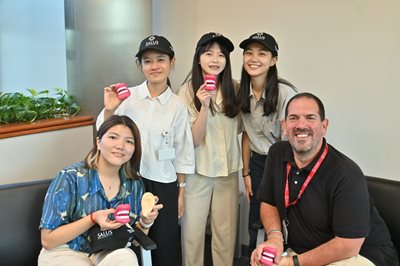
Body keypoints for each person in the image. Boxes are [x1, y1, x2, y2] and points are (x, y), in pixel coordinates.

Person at [251, 93, 399, 266]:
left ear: (324, 126)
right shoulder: (277, 153)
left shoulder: (346, 174)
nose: (301, 125)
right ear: (284, 126)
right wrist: (275, 237)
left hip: (358, 255)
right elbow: (268, 202)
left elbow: (348, 245)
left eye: (310, 118)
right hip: (304, 252)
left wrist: (292, 263)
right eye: (293, 118)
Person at [96, 35, 195, 266]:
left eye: (161, 59)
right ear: (139, 65)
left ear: (172, 62)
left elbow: (183, 150)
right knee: (125, 241)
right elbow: (103, 136)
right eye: (147, 61)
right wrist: (110, 110)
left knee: (165, 244)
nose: (155, 66)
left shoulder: (178, 105)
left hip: (165, 182)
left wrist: (181, 191)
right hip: (129, 180)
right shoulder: (127, 98)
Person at [38, 115, 163, 266]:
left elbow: (135, 239)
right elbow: (48, 240)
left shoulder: (134, 184)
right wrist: (92, 219)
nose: (120, 145)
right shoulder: (70, 177)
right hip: (65, 250)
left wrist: (145, 222)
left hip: (107, 251)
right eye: (113, 137)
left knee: (127, 257)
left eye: (129, 141)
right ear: (98, 142)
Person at [177, 32, 242, 266]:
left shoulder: (235, 88)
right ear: (198, 59)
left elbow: (244, 130)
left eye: (221, 55)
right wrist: (204, 107)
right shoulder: (186, 92)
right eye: (209, 53)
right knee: (192, 234)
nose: (215, 59)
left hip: (228, 173)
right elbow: (193, 140)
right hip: (198, 173)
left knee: (225, 235)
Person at [237, 32, 297, 256]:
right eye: (249, 53)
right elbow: (246, 134)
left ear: (273, 60)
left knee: (282, 222)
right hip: (258, 164)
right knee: (256, 220)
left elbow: (290, 144)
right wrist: (246, 173)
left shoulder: (285, 93)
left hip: (285, 163)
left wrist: (280, 177)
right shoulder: (243, 91)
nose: (254, 58)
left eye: (262, 53)